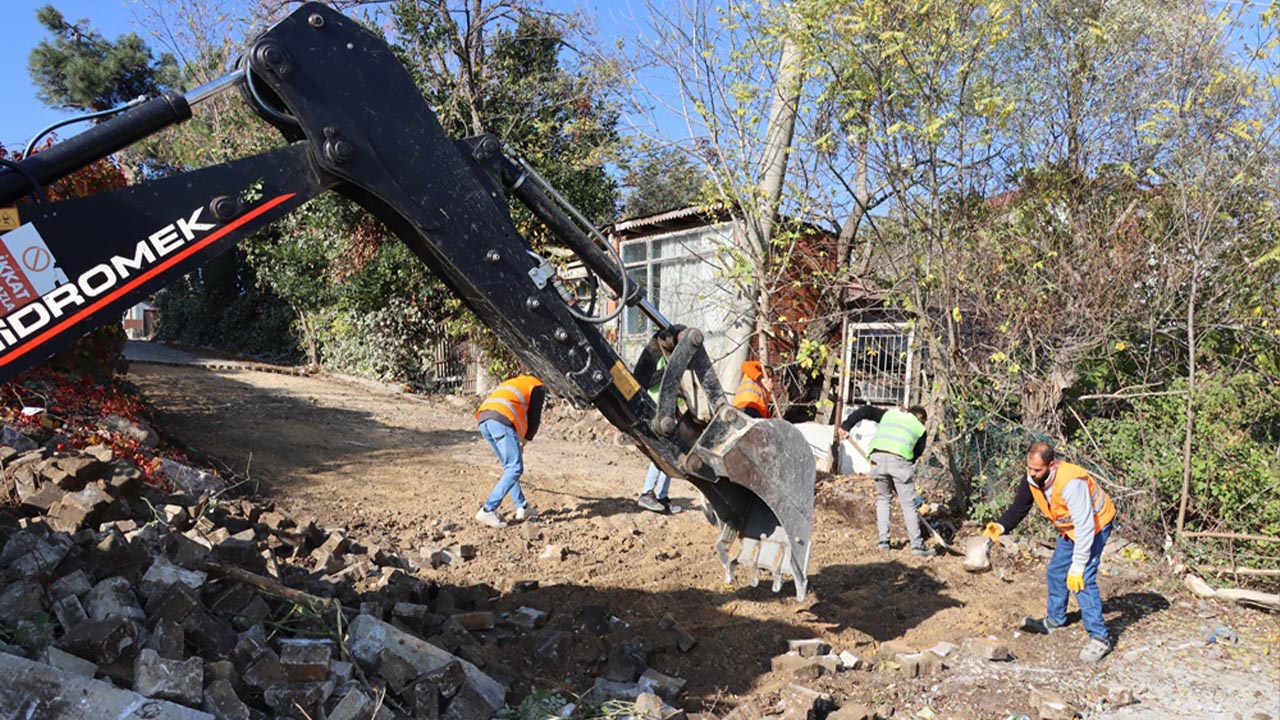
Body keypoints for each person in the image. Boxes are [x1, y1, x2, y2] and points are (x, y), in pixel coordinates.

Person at [983, 442, 1117, 664]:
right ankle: (1055, 620)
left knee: (1081, 579)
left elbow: (1085, 526)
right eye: (1029, 468)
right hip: (1070, 528)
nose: (1032, 473)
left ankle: (1100, 638)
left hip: (1095, 525)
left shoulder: (1071, 484)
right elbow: (1019, 507)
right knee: (1056, 572)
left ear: (1051, 465)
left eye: (1037, 470)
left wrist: (1078, 564)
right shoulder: (1031, 478)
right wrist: (1000, 527)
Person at [837, 404, 934, 557]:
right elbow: (915, 455)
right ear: (921, 418)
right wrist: (900, 473)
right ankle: (917, 546)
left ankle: (883, 542)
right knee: (908, 504)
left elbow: (866, 410)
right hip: (900, 461)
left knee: (883, 499)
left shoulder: (889, 415)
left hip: (877, 459)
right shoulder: (919, 428)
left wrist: (846, 425)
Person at [474, 374, 546, 528]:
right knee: (515, 468)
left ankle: (522, 507)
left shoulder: (515, 382)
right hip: (501, 420)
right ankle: (488, 509)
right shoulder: (537, 386)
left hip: (484, 419)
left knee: (509, 468)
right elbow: (534, 419)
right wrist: (525, 441)